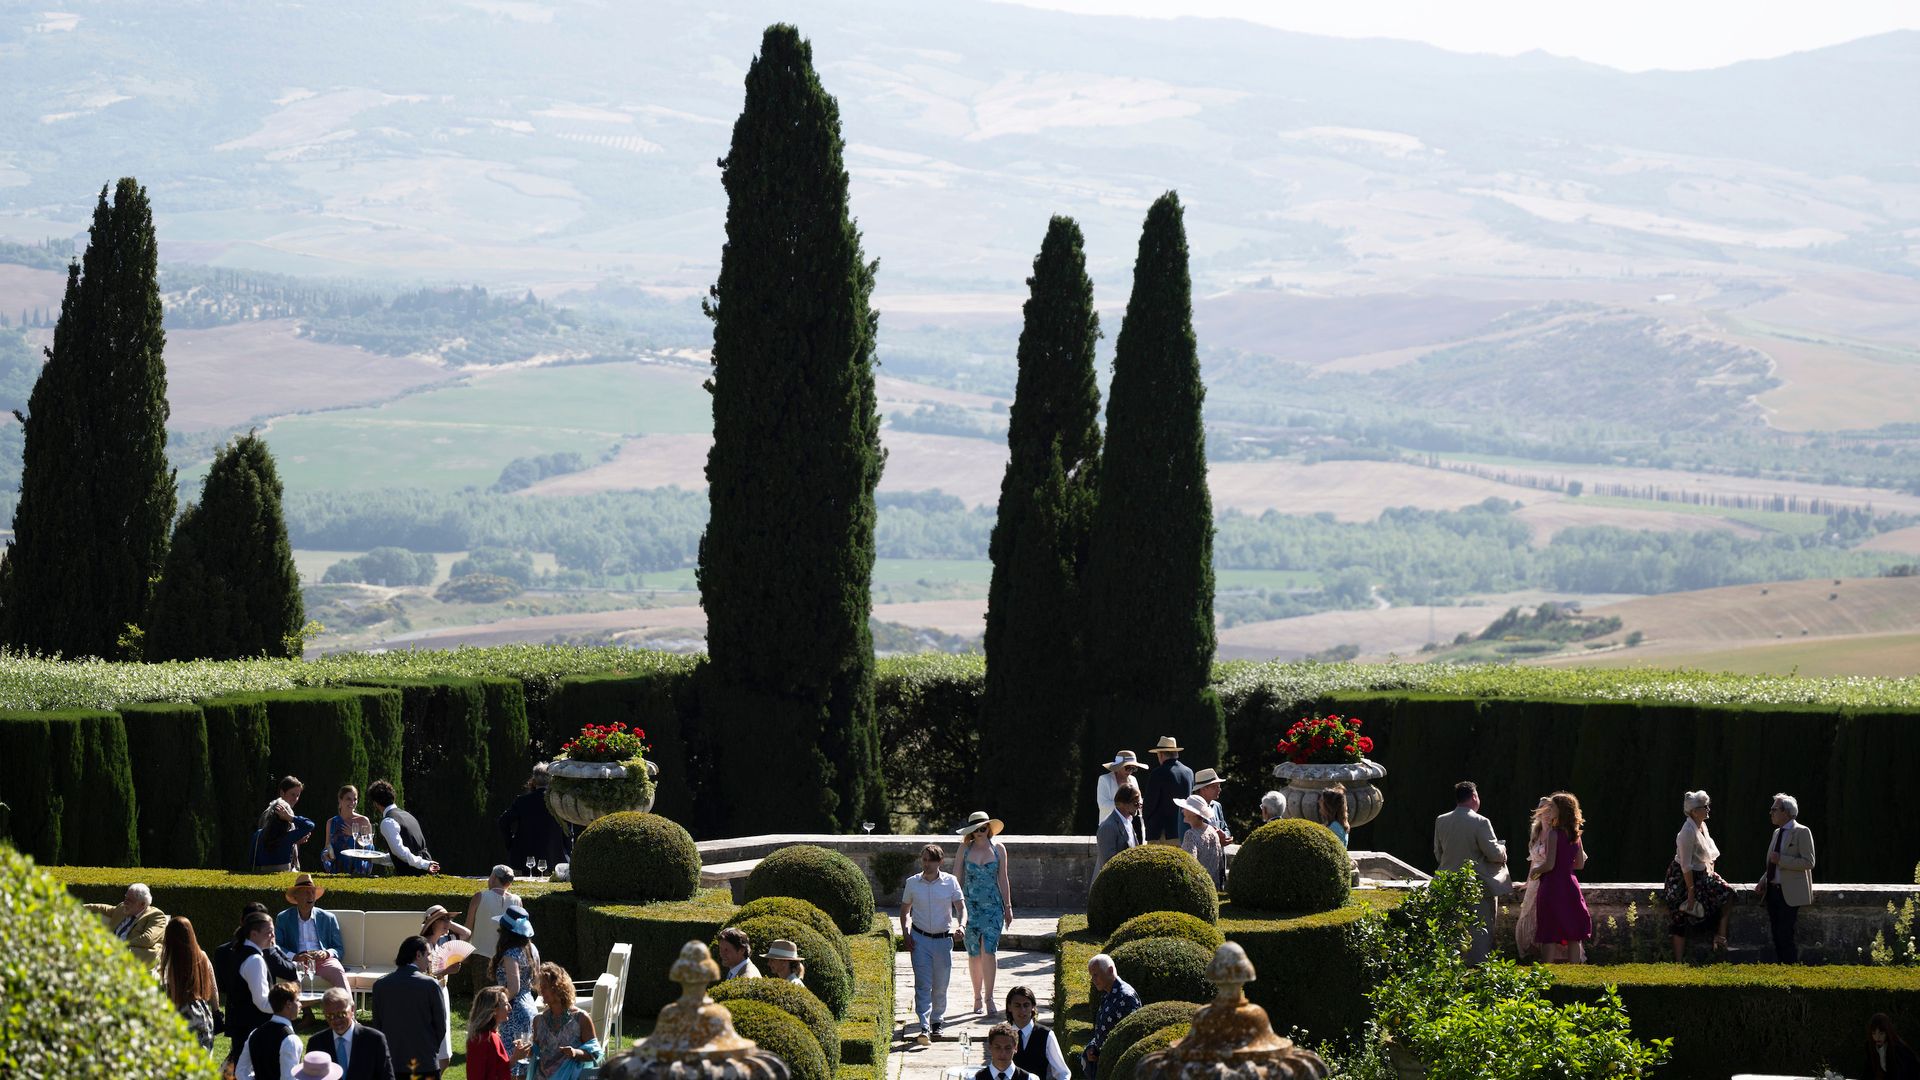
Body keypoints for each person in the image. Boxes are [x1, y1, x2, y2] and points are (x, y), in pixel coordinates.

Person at [1432, 780, 1509, 965]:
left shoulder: (1441, 820)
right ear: (1474, 797)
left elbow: (1438, 853)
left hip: (1447, 883)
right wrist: (1502, 849)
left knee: (1451, 934)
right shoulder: (1481, 821)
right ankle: (1478, 974)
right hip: (1476, 886)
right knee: (1480, 934)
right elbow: (1493, 854)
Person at [900, 842, 966, 1044]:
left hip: (943, 940)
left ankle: (938, 1021)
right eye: (924, 860)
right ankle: (924, 1025)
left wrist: (961, 926)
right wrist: (905, 933)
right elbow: (904, 911)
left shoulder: (951, 882)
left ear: (940, 862)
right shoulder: (912, 882)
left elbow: (961, 908)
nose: (926, 864)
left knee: (940, 985)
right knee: (922, 985)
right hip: (919, 939)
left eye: (930, 860)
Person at [220, 904, 296, 1068]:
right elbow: (262, 1002)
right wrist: (287, 1007)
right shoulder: (255, 960)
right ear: (253, 934)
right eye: (268, 932)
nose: (273, 936)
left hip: (242, 1024)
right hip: (252, 1028)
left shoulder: (239, 951)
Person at [1666, 789, 1734, 961]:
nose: (1708, 809)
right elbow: (1685, 865)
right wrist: (1690, 892)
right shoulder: (1687, 832)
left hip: (1700, 874)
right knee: (1679, 915)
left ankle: (1720, 935)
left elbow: (1709, 854)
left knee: (1727, 894)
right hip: (1682, 878)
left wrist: (1710, 873)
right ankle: (1678, 962)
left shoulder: (1702, 826)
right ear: (1694, 811)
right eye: (1705, 807)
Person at [958, 811, 1013, 1017]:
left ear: (989, 828)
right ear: (971, 832)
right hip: (970, 908)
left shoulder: (998, 848)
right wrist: (954, 907)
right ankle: (977, 997)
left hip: (993, 907)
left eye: (984, 828)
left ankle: (989, 997)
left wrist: (1008, 907)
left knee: (989, 951)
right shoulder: (964, 849)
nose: (981, 832)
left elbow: (1004, 879)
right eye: (977, 829)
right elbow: (956, 878)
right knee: (974, 953)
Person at [372, 936, 449, 1078]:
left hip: (391, 1063)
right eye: (428, 955)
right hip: (424, 1061)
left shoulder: (380, 985)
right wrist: (429, 1047)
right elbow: (440, 1025)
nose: (429, 960)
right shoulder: (430, 985)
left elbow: (377, 1025)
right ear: (418, 955)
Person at [1531, 792, 1592, 963]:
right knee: (1574, 932)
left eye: (1552, 807)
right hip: (1570, 884)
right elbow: (1579, 864)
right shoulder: (1576, 834)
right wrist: (1564, 865)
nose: (1549, 810)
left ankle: (1545, 973)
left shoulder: (1553, 834)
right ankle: (1573, 976)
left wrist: (1535, 871)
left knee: (1549, 930)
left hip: (1552, 885)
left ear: (1561, 810)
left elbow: (1549, 865)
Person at [1756, 792, 1816, 964]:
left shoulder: (1802, 832)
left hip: (1790, 893)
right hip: (1773, 891)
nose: (1771, 813)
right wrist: (1763, 881)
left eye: (1774, 809)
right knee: (1776, 933)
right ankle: (1783, 969)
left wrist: (1782, 860)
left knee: (1785, 934)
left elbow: (1809, 862)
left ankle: (1791, 971)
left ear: (1786, 812)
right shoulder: (1777, 833)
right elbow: (1771, 863)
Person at [527, 962, 602, 1079]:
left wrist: (575, 1053)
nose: (541, 991)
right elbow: (535, 1052)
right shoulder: (538, 1020)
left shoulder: (581, 1018)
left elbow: (595, 1054)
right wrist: (525, 1049)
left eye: (545, 986)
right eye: (540, 987)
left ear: (558, 987)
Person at [158, 915, 220, 1052]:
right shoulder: (202, 955)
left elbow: (173, 994)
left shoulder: (172, 960)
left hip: (183, 1012)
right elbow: (213, 987)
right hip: (203, 1012)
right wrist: (216, 1012)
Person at [277, 874, 349, 989]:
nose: (311, 896)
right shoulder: (284, 918)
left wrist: (326, 953)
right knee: (290, 973)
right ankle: (301, 1006)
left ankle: (348, 1006)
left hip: (323, 961)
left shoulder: (328, 918)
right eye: (306, 892)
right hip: (297, 962)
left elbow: (338, 948)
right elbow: (277, 946)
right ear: (296, 897)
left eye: (312, 892)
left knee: (337, 969)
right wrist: (295, 956)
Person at [421, 905, 472, 1066]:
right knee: (438, 1053)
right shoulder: (422, 946)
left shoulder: (443, 942)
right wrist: (447, 969)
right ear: (432, 923)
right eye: (443, 919)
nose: (447, 923)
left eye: (448, 919)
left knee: (444, 1057)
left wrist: (447, 922)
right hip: (428, 997)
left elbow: (466, 933)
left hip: (443, 992)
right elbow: (422, 977)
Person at [308, 986, 395, 1080]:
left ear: (352, 1009)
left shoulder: (374, 1040)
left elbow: (386, 1077)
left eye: (341, 1014)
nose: (336, 1020)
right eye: (330, 1016)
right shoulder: (316, 1043)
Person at [499, 764, 572, 871]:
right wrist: (567, 851)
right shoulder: (558, 802)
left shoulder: (522, 801)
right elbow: (568, 831)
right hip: (555, 859)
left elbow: (503, 822)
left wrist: (511, 844)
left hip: (524, 859)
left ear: (533, 780)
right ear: (552, 780)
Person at [490, 908, 542, 1054]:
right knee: (525, 1061)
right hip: (529, 1006)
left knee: (512, 1064)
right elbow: (536, 981)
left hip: (512, 1011)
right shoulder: (532, 948)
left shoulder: (510, 953)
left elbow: (513, 987)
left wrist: (494, 1005)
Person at [1080, 953, 1141, 1076]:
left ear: (1110, 970)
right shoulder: (1109, 994)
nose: (1093, 980)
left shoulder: (1126, 996)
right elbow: (1104, 1029)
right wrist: (1092, 1046)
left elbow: (1129, 1037)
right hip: (1103, 1064)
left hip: (1114, 1068)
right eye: (1091, 976)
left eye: (1095, 975)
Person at [84, 881, 168, 970]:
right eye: (125, 898)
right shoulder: (123, 908)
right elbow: (103, 908)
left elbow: (147, 939)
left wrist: (120, 945)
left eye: (129, 900)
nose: (125, 902)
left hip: (132, 954)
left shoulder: (156, 915)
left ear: (142, 904)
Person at [465, 865, 521, 995]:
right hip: (508, 957)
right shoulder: (517, 900)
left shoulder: (479, 896)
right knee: (504, 998)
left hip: (481, 956)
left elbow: (468, 929)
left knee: (482, 998)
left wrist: (463, 953)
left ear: (494, 877)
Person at [368, 778, 440, 875]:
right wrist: (372, 858)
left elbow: (400, 853)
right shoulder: (408, 815)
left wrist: (425, 864)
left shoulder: (388, 821)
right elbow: (399, 855)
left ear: (375, 803)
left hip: (413, 874)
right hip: (426, 870)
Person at [237, 980, 303, 1080]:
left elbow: (240, 1072)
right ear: (288, 1004)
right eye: (297, 1000)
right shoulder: (291, 1040)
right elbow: (289, 1078)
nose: (300, 1004)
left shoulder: (254, 1033)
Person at [1514, 797, 1552, 958]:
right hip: (1535, 881)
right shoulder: (1536, 831)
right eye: (1542, 811)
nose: (1546, 814)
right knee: (1527, 916)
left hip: (1548, 880)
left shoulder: (1555, 833)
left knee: (1545, 918)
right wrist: (1527, 882)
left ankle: (1548, 957)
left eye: (1549, 810)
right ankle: (1533, 955)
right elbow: (1534, 861)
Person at [1006, 985, 1069, 1080]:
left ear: (1033, 1007)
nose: (1022, 1010)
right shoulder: (1003, 1035)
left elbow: (1062, 1072)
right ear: (1009, 1007)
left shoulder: (1046, 1035)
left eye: (1026, 1005)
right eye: (1017, 1005)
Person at [258, 776, 317, 872]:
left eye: (297, 795)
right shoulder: (270, 813)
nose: (295, 799)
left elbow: (284, 840)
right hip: (274, 867)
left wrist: (296, 840)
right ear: (282, 793)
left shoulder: (288, 813)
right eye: (292, 794)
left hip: (289, 866)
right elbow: (269, 841)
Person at [1141, 736, 1194, 841]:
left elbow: (1149, 804)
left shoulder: (1158, 773)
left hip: (1162, 833)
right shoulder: (1189, 772)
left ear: (1160, 754)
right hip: (1184, 830)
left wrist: (1147, 821)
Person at [464, 985, 516, 1080]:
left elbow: (496, 1069)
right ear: (494, 1010)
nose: (510, 1008)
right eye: (505, 1004)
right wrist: (515, 1057)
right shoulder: (487, 1038)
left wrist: (516, 1057)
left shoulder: (484, 1036)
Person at [322, 785, 374, 876]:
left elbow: (370, 848)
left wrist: (355, 835)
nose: (352, 802)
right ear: (340, 800)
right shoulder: (331, 822)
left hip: (358, 870)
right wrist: (326, 854)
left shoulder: (363, 821)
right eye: (348, 799)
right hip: (337, 869)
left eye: (355, 799)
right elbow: (327, 845)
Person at [1094, 785, 1145, 879]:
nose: (1138, 807)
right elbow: (1108, 863)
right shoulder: (1108, 827)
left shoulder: (1128, 821)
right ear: (1122, 804)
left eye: (1140, 803)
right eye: (1136, 804)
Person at [1177, 795, 1224, 888]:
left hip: (1198, 887)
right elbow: (1220, 860)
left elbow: (1188, 864)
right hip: (1213, 886)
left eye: (1185, 808)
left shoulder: (1190, 834)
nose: (1182, 811)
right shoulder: (1211, 829)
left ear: (1193, 813)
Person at [1095, 751, 1148, 825]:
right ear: (1119, 766)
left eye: (1134, 768)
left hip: (1127, 825)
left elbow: (1138, 801)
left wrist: (1140, 804)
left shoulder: (1133, 779)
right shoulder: (1104, 779)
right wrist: (1127, 804)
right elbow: (1103, 804)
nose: (1130, 771)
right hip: (1108, 826)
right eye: (1128, 767)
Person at [1870, 1013, 1920, 1080]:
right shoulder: (1873, 1047)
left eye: (1881, 1033)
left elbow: (1902, 1075)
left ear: (1887, 1032)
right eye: (1874, 1033)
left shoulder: (1899, 1049)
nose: (1877, 1037)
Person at [1191, 768, 1232, 844]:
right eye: (1214, 787)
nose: (1219, 790)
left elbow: (1225, 828)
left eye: (1219, 786)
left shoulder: (1217, 806)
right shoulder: (1190, 808)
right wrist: (1217, 840)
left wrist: (1225, 836)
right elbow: (1187, 837)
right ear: (1203, 789)